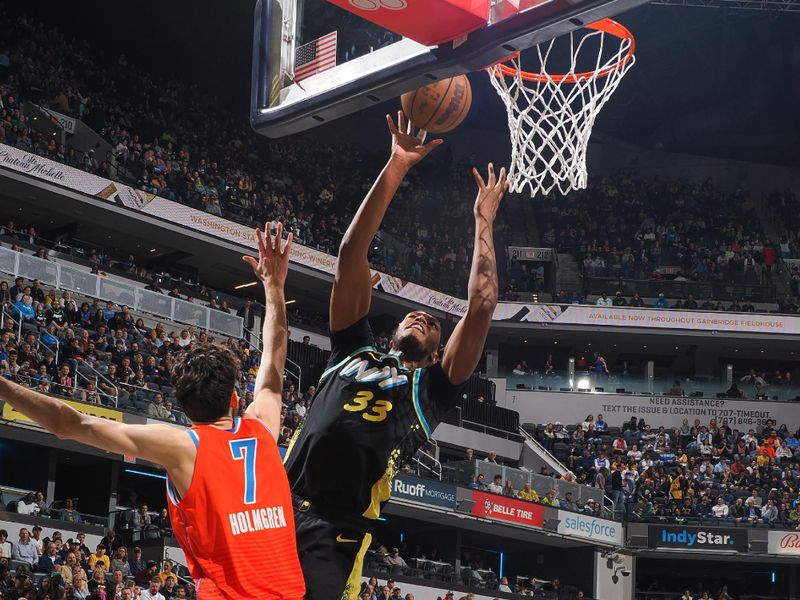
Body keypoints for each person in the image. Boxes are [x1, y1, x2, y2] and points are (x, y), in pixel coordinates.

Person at [0, 223, 304, 600]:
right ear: (235, 400)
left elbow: (68, 423)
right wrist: (275, 290)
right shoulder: (262, 427)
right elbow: (273, 369)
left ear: (182, 406)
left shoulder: (182, 447)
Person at [284, 114, 506, 600]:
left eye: (433, 322)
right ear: (393, 328)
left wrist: (483, 220)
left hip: (334, 531)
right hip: (277, 506)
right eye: (414, 313)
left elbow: (483, 303)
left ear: (435, 352)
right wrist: (396, 165)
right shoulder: (350, 348)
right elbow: (350, 253)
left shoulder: (430, 392)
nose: (421, 315)